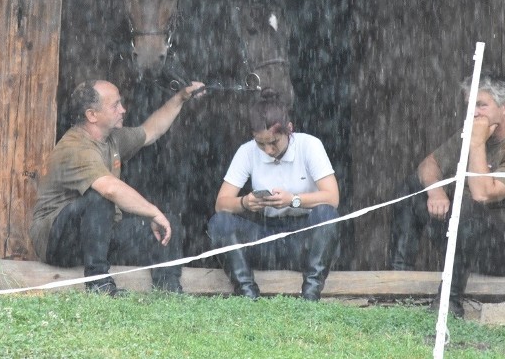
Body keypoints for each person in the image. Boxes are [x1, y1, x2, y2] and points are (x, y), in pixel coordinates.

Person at [389, 71, 505, 318]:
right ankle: (398, 282)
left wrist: (476, 144)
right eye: (470, 105)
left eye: (481, 105)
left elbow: (482, 194)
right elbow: (428, 164)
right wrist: (436, 192)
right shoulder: (473, 132)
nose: (473, 112)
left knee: (466, 206)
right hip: (470, 237)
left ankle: (450, 303)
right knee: (412, 188)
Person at [31, 78, 204, 296]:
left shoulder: (112, 138)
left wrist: (180, 97)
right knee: (101, 198)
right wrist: (152, 211)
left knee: (168, 224)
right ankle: (99, 284)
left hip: (97, 236)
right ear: (92, 115)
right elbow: (110, 189)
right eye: (115, 105)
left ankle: (168, 291)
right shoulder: (75, 147)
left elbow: (151, 131)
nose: (123, 109)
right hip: (57, 243)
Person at [207, 91, 342, 301]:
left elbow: (332, 198)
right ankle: (247, 293)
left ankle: (311, 293)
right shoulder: (247, 151)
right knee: (219, 222)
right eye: (261, 143)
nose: (268, 150)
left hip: (303, 236)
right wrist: (245, 202)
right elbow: (220, 204)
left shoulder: (310, 145)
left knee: (327, 215)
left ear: (289, 129)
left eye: (274, 142)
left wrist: (293, 199)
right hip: (265, 237)